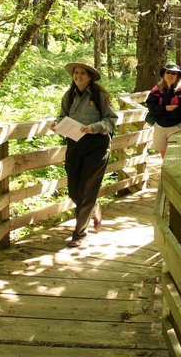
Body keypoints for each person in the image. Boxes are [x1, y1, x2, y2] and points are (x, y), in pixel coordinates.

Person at [51, 60, 118, 248]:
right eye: (76, 73)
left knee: (88, 188)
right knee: (74, 189)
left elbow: (111, 120)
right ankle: (94, 206)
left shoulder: (99, 95)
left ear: (89, 77)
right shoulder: (69, 95)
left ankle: (80, 234)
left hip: (97, 145)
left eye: (82, 73)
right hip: (74, 144)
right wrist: (56, 124)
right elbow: (62, 116)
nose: (78, 76)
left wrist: (95, 127)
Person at [144, 63, 181, 158]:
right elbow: (151, 106)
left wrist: (162, 112)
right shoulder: (156, 90)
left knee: (176, 154)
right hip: (160, 127)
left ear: (178, 76)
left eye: (174, 73)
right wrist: (166, 108)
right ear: (164, 74)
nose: (170, 75)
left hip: (177, 127)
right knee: (164, 154)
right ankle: (166, 171)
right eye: (168, 72)